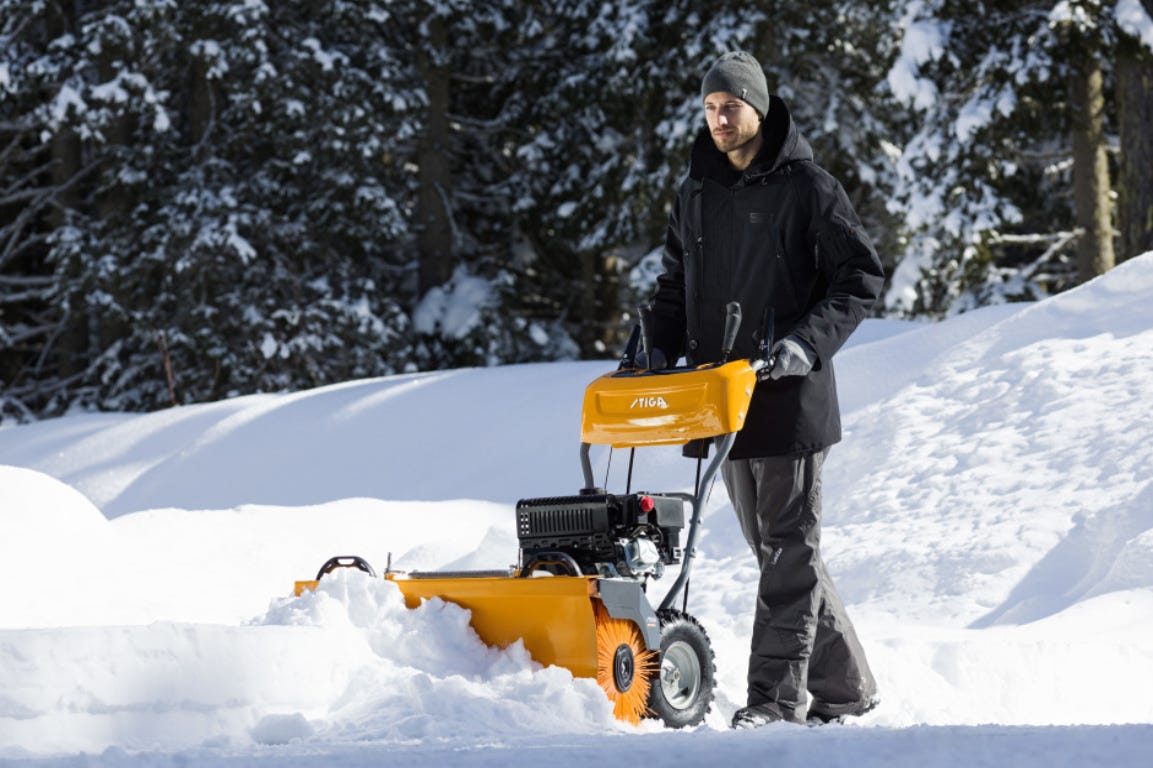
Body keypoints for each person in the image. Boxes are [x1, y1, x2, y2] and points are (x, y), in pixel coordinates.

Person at [644, 50, 883, 728]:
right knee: (781, 553)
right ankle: (844, 691)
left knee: (786, 551)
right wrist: (654, 348)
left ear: (759, 108)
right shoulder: (696, 192)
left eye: (730, 106)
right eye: (709, 108)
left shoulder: (807, 187)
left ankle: (773, 704)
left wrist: (804, 344)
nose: (719, 119)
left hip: (787, 398)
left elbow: (858, 278)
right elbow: (672, 287)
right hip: (719, 400)